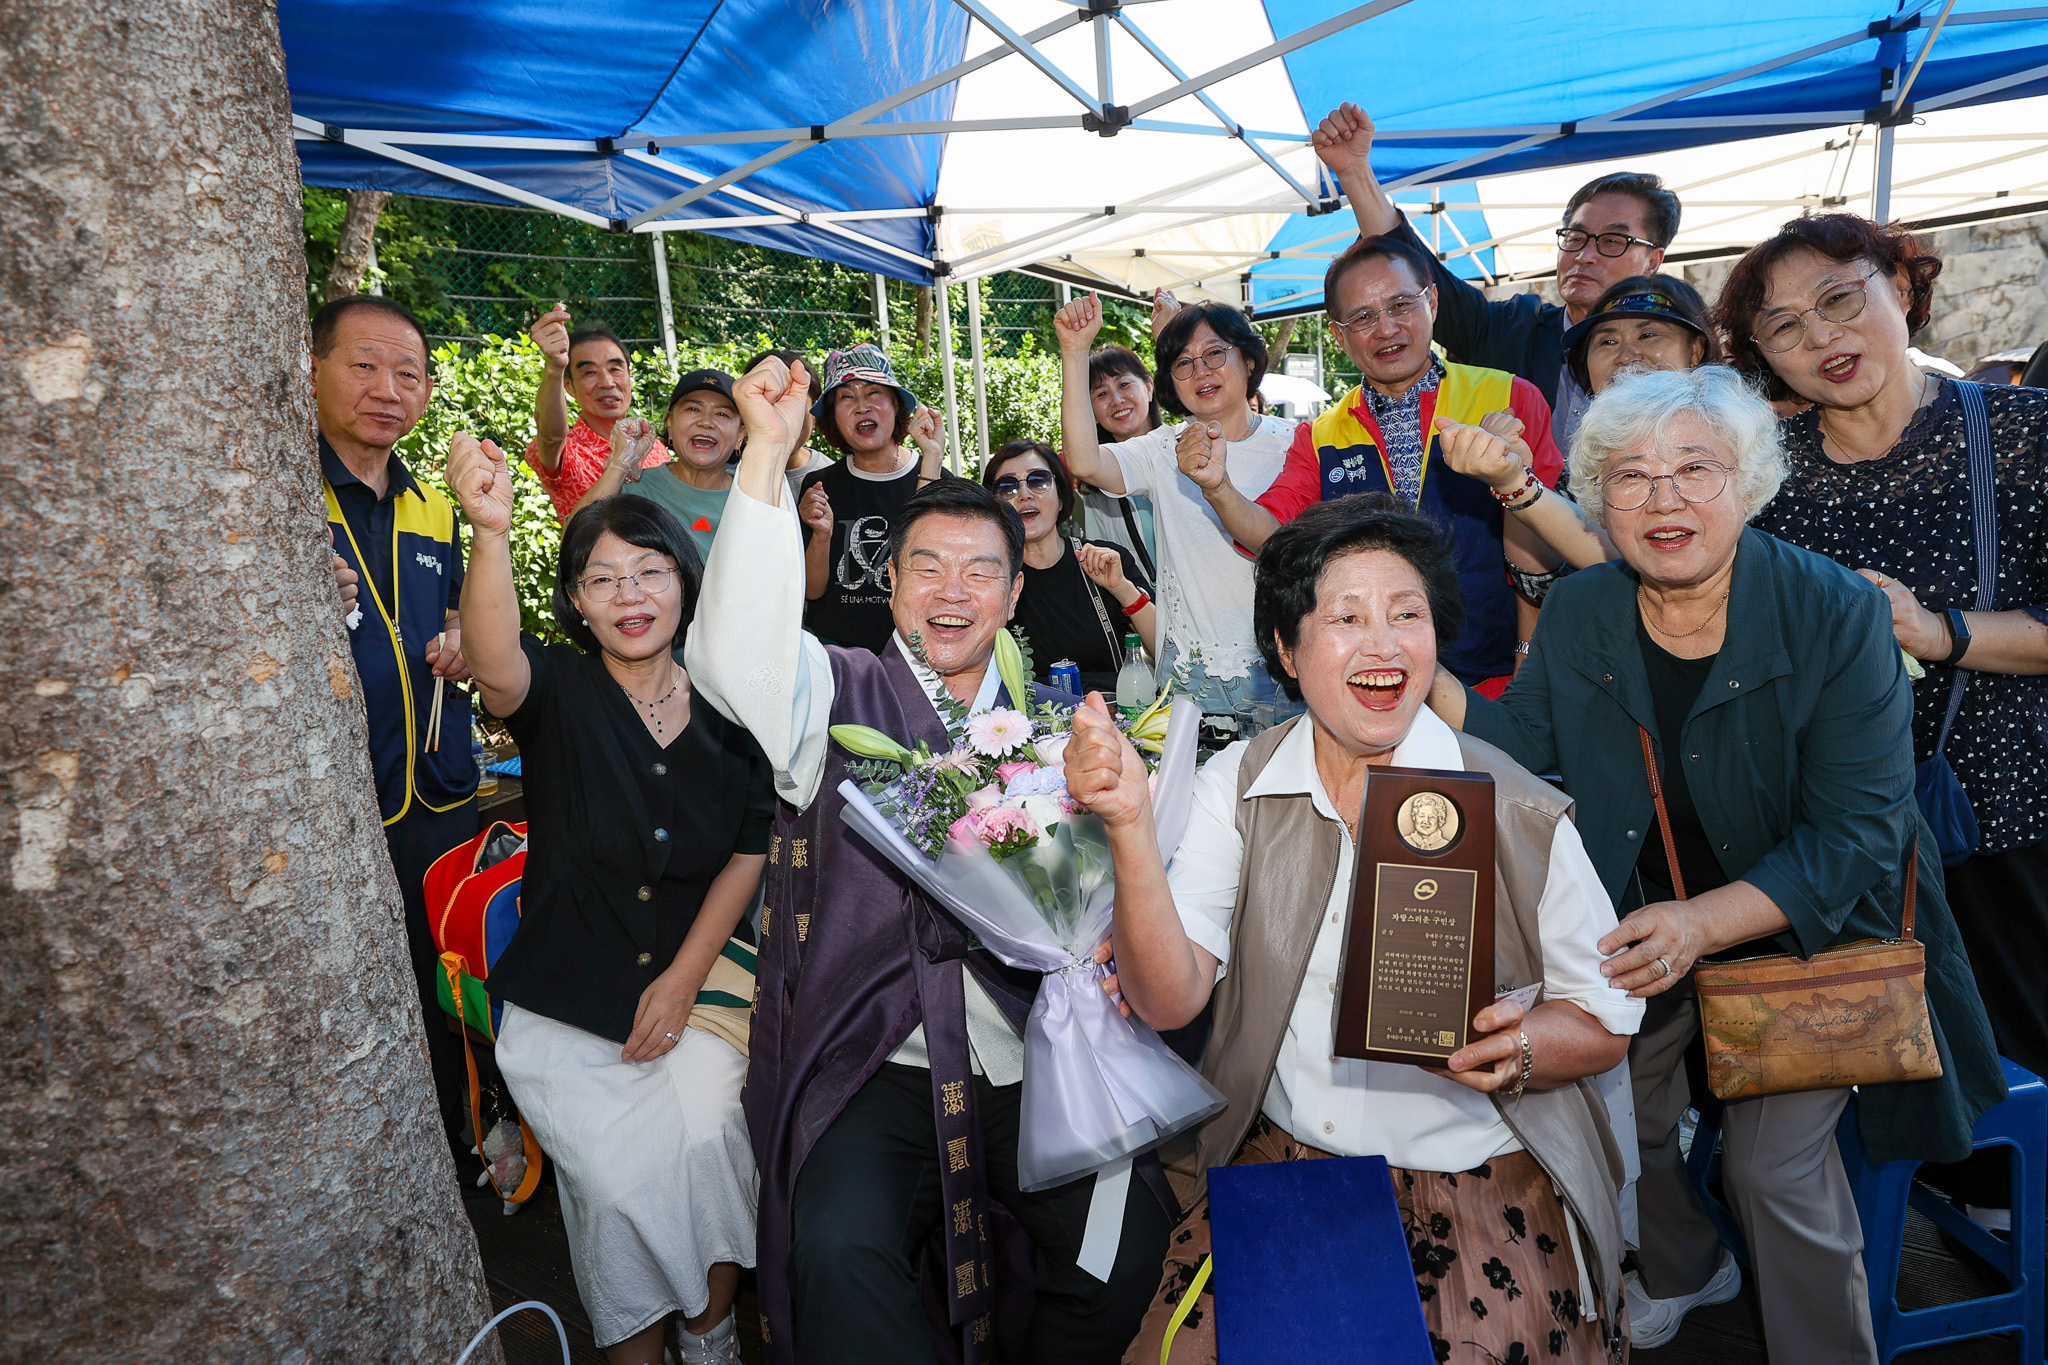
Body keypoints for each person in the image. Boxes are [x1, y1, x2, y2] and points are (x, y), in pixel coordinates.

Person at [1426, 366, 2006, 1360]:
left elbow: (1860, 833)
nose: (1663, 500)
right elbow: (1513, 739)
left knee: (1770, 1170)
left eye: (1696, 469)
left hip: (1806, 926)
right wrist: (1404, 669)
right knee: (1617, 1112)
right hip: (1648, 911)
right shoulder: (1581, 612)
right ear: (1597, 497)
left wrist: (1702, 925)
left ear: (1749, 482)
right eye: (1629, 476)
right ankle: (1692, 1270)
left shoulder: (1835, 613)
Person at [1062, 495, 1642, 1364]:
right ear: (1288, 654)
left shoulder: (1516, 807)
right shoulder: (1241, 785)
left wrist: (1517, 1049)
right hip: (1293, 1165)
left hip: (1480, 1177)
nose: (1383, 642)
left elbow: (1606, 1019)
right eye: (1346, 616)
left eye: (1407, 615)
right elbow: (1169, 996)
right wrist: (1130, 827)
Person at [688, 358, 1174, 1365]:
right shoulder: (831, 694)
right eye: (928, 567)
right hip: (878, 1057)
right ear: (893, 582)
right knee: (836, 1250)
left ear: (1009, 593)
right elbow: (733, 656)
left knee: (1123, 1256)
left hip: (1031, 1053)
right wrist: (766, 460)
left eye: (980, 570)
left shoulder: (1046, 727)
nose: (952, 591)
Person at [1719, 212, 2048, 1207]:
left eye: (1837, 298)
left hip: (2007, 812)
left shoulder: (2022, 433)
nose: (1819, 336)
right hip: (1842, 840)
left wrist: (1935, 627)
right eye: (1781, 327)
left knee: (2016, 1064)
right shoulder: (1761, 471)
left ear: (1899, 288)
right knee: (1890, 1073)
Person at [448, 450, 771, 1365]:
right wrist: (490, 532)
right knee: (622, 1187)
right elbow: (494, 663)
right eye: (603, 578)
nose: (630, 593)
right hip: (564, 993)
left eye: (649, 570)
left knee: (713, 1143)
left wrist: (679, 982)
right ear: (578, 604)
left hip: (699, 981)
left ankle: (710, 1339)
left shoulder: (733, 702)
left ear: (683, 582)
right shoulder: (557, 692)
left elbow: (750, 848)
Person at [1195, 233, 1563, 691]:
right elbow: (1272, 531)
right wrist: (1218, 488)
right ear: (1337, 333)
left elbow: (1558, 538)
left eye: (1401, 305)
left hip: (1497, 676)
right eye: (1363, 317)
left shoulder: (1507, 396)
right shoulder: (1321, 434)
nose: (1386, 329)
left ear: (1432, 302)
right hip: (1378, 677)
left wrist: (1528, 665)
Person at [311, 294, 478, 1158]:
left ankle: (464, 1150)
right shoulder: (282, 496)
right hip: (339, 806)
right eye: (364, 365)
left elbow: (454, 610)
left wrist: (457, 633)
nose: (388, 387)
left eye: (408, 372)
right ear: (310, 368)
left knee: (448, 984)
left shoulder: (431, 504)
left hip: (441, 793)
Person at [1311, 102, 1682, 453]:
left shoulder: (1678, 350)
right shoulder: (1513, 331)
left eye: (1613, 241)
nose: (1585, 255)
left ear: (1654, 260)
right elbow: (1412, 267)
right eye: (1575, 237)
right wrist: (1355, 173)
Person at [1055, 295, 1296, 714]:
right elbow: (1085, 462)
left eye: (1214, 354)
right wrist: (1075, 353)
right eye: (1183, 362)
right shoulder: (1161, 449)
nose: (1200, 371)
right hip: (1189, 674)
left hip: (1284, 666)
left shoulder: (1296, 442)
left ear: (1250, 360)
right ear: (1171, 381)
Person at [1434, 274, 1721, 575]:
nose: (1625, 355)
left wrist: (1518, 485)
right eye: (1607, 341)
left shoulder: (1732, 441)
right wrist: (1518, 471)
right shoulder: (1578, 471)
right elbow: (1535, 578)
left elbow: (1636, 564)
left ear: (1696, 350)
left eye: (1648, 335)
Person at [796, 343, 947, 653]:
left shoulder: (937, 477)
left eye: (874, 393)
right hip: (841, 656)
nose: (861, 406)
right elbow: (812, 591)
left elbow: (934, 561)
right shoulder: (819, 486)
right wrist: (822, 533)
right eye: (847, 397)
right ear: (833, 418)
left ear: (895, 406)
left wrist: (931, 457)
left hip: (920, 652)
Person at [980, 439, 1156, 694]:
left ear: (1061, 498)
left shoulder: (1105, 559)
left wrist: (1122, 589)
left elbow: (1164, 652)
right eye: (1007, 487)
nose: (1024, 494)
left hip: (1115, 719)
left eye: (1038, 480)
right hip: (1028, 726)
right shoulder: (990, 578)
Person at [570, 368, 741, 561]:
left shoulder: (751, 499)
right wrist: (620, 463)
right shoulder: (637, 490)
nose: (706, 422)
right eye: (693, 409)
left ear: (740, 435)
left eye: (722, 414)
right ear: (670, 422)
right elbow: (575, 539)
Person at [526, 305, 668, 521]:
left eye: (615, 369)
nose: (607, 382)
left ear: (629, 376)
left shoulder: (655, 448)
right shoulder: (568, 451)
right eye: (589, 372)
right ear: (569, 386)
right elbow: (551, 435)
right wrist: (555, 367)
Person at [1077, 344, 1161, 578]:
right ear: (1091, 412)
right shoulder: (1094, 490)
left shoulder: (1183, 450)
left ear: (1149, 387)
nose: (1116, 400)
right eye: (1101, 394)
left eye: (1124, 384)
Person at [740, 346, 833, 502]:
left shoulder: (834, 479)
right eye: (768, 403)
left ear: (815, 415)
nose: (779, 417)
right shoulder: (725, 477)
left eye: (792, 404)